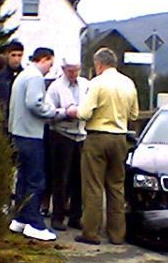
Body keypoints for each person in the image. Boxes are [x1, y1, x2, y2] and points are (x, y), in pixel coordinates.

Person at [67, 47, 139, 245]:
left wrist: (73, 111)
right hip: (120, 139)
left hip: (97, 138)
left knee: (93, 186)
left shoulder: (97, 83)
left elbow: (84, 113)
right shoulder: (128, 83)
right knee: (116, 187)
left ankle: (91, 232)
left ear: (99, 64)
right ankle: (116, 234)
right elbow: (134, 115)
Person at [8, 47, 66, 241]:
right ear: (45, 59)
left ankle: (20, 219)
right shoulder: (35, 78)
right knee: (36, 180)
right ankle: (35, 224)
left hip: (18, 133)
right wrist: (56, 112)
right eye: (51, 63)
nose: (51, 68)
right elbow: (35, 104)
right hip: (31, 135)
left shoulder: (23, 75)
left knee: (23, 179)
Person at [44, 55, 89, 231]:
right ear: (63, 70)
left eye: (76, 70)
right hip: (61, 135)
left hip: (81, 135)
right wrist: (65, 112)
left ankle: (75, 216)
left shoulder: (86, 85)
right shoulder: (55, 87)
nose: (74, 74)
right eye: (70, 71)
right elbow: (48, 112)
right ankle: (58, 217)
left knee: (79, 179)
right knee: (60, 178)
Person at [0, 40, 24, 133]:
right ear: (8, 55)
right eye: (13, 55)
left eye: (19, 55)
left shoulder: (26, 76)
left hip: (21, 124)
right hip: (3, 122)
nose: (16, 59)